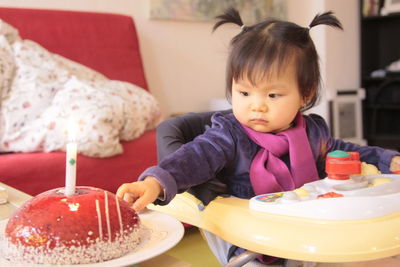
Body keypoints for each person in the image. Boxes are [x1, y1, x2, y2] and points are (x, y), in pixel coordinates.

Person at [117, 8, 400, 267]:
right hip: (248, 243)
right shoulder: (229, 134)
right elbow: (195, 156)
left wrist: (388, 159)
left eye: (273, 95)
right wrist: (155, 182)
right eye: (244, 93)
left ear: (306, 93)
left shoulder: (313, 131)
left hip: (304, 232)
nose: (257, 105)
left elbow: (343, 153)